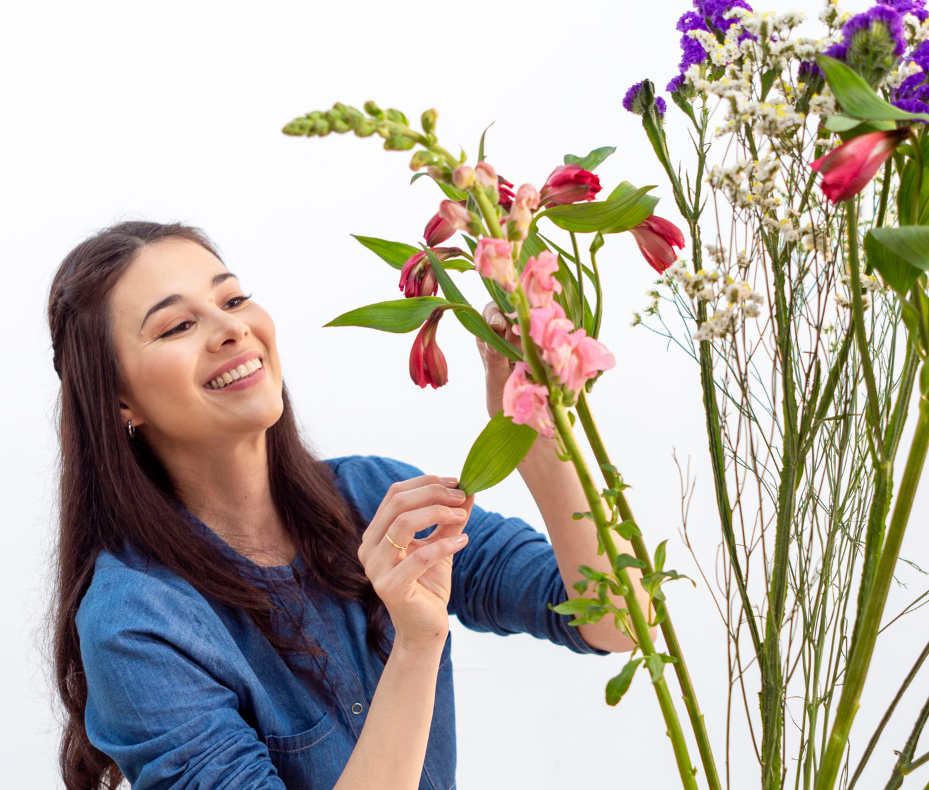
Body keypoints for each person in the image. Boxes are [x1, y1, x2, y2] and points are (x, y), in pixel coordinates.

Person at [47, 221, 638, 790]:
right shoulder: (135, 624)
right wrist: (415, 644)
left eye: (233, 300)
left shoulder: (373, 498)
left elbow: (618, 620)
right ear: (119, 399)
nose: (231, 330)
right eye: (176, 326)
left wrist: (535, 429)